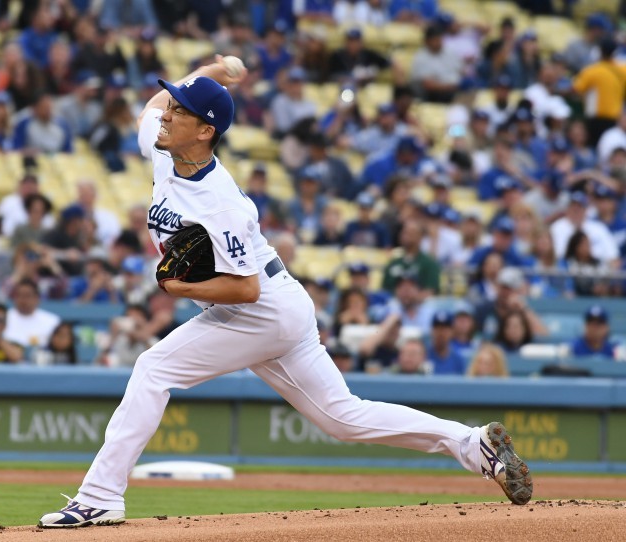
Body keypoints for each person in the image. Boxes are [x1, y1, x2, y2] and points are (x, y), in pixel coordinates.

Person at [37, 58, 533, 529]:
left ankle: (100, 496)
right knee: (343, 417)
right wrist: (211, 71)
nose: (166, 114)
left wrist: (180, 286)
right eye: (172, 105)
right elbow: (149, 108)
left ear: (205, 131)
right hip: (279, 306)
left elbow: (245, 288)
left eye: (180, 110)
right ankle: (472, 445)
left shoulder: (222, 204)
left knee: (153, 368)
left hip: (261, 309)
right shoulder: (167, 148)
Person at [3, 278, 60, 348]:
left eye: (27, 295)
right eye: (19, 295)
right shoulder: (4, 318)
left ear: (37, 298)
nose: (23, 300)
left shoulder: (52, 321)